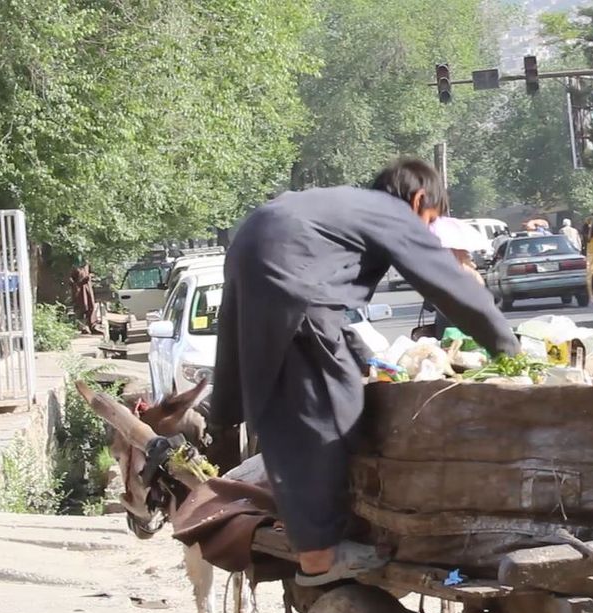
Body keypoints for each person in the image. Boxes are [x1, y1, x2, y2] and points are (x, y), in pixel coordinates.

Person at [210, 158, 520, 587]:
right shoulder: (392, 212)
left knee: (287, 405)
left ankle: (316, 532)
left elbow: (234, 329)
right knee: (333, 408)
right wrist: (509, 349)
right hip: (293, 279)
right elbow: (449, 285)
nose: (428, 230)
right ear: (417, 200)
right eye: (431, 220)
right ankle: (319, 554)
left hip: (255, 245)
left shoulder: (344, 206)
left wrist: (223, 409)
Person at [69, 259, 102, 335]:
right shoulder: (74, 267)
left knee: (91, 307)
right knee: (81, 308)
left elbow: (91, 273)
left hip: (87, 289)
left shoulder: (86, 265)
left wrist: (90, 276)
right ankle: (84, 327)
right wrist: (76, 286)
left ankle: (93, 326)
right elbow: (71, 280)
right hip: (79, 290)